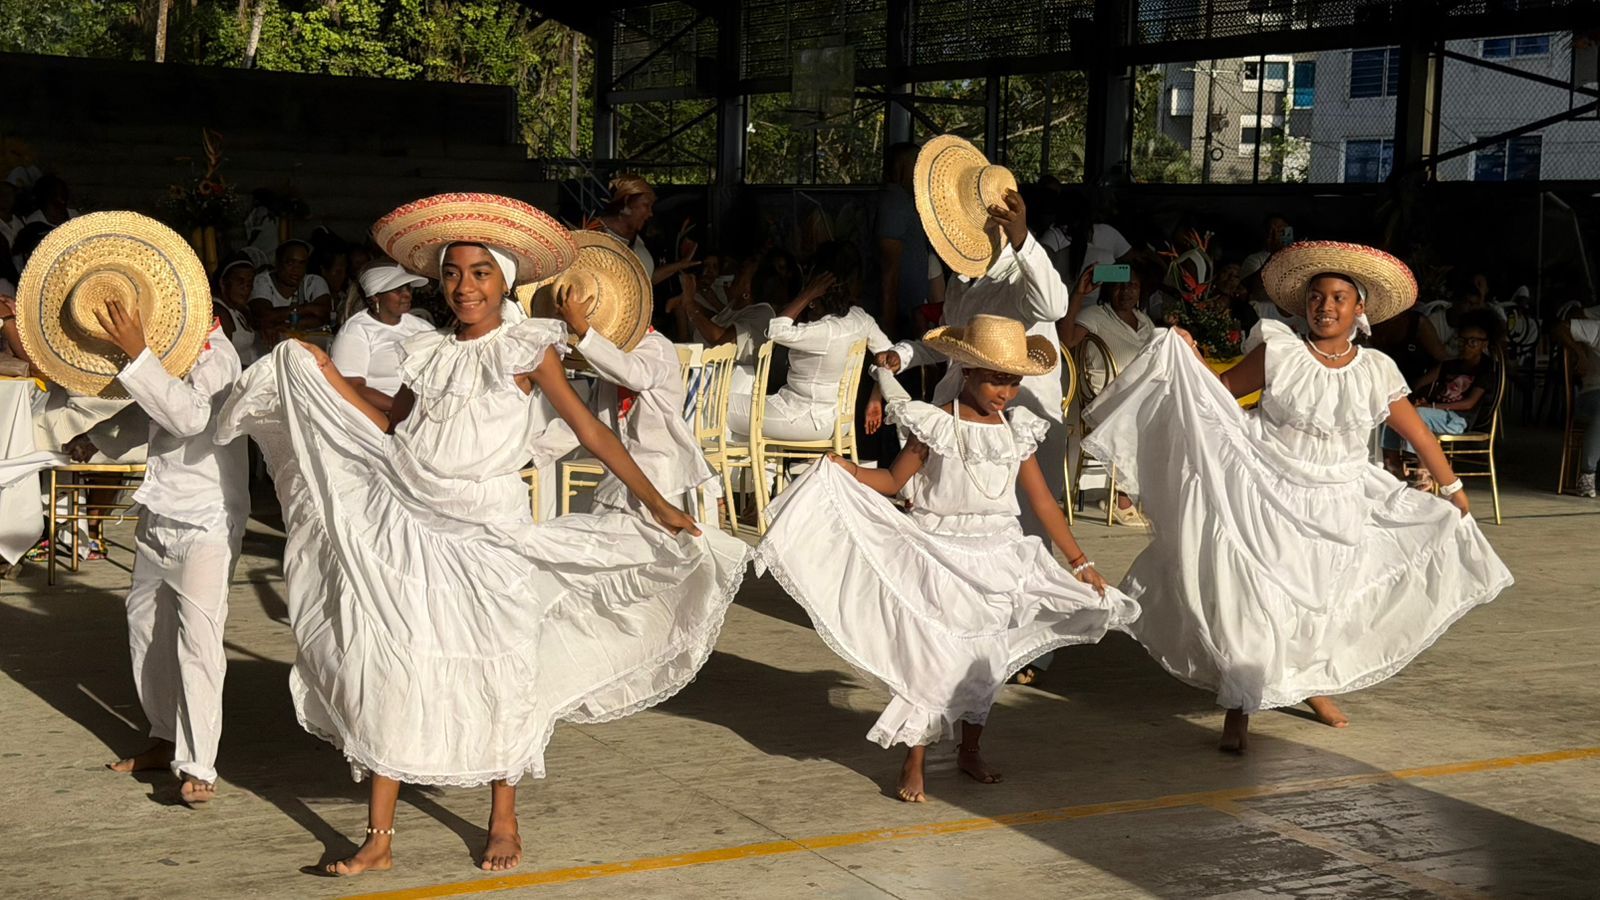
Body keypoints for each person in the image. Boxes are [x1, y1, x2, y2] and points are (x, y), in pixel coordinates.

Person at [218, 194, 749, 876]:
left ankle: (503, 815)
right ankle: (379, 837)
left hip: (491, 527)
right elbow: (393, 425)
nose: (464, 287)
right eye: (452, 275)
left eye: (479, 274)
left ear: (503, 281)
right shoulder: (429, 352)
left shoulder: (526, 349)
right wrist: (325, 376)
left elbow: (592, 432)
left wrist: (658, 505)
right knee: (397, 662)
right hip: (412, 520)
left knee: (502, 664)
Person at [1082, 241, 1513, 753]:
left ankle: (1311, 685)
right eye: (1316, 297)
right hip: (1268, 490)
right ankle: (1240, 702)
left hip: (1339, 501)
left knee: (1324, 600)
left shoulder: (1376, 370)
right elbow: (1218, 395)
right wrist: (1191, 360)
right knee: (1258, 598)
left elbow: (1419, 434)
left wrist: (1456, 489)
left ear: (1359, 310)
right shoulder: (1280, 351)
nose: (1325, 307)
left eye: (1337, 298)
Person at [756, 315, 1137, 802]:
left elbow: (1042, 502)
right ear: (966, 371)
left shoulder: (1016, 430)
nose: (1006, 391)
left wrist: (1080, 562)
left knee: (986, 657)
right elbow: (895, 482)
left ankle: (970, 748)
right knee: (933, 658)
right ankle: (914, 755)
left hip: (998, 555)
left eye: (1014, 380)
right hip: (940, 551)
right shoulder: (934, 423)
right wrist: (848, 470)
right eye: (997, 378)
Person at [883, 173, 1071, 539]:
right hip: (961, 418)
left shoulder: (1022, 275)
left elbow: (1053, 305)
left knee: (1025, 528)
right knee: (949, 520)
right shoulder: (962, 283)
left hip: (1018, 420)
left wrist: (1021, 238)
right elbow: (952, 342)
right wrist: (903, 354)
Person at [535, 232, 718, 517]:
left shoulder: (657, 348)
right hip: (621, 474)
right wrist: (533, 451)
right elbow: (588, 420)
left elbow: (634, 375)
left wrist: (584, 331)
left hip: (660, 471)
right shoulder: (608, 365)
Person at [728, 241, 892, 442]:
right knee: (741, 419)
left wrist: (806, 294)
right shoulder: (860, 319)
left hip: (802, 417)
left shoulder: (825, 331)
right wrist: (876, 398)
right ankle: (762, 471)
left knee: (716, 404)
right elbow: (888, 355)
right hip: (838, 420)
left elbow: (775, 330)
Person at [1057, 257, 1154, 527]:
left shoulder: (1145, 321)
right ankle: (1122, 499)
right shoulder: (1094, 316)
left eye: (1132, 286)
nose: (1126, 292)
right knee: (1139, 417)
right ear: (1108, 290)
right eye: (1118, 286)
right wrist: (1078, 294)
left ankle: (1155, 496)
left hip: (1139, 398)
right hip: (1104, 402)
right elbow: (1066, 342)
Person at [1381, 310, 1501, 487]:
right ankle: (1393, 462)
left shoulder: (1485, 370)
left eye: (1473, 342)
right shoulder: (1448, 365)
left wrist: (1431, 406)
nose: (1466, 346)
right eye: (1462, 341)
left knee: (1419, 415)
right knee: (1395, 410)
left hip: (1459, 420)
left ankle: (1423, 470)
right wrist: (1408, 398)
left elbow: (1469, 403)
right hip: (1433, 414)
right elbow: (1419, 384)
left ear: (1484, 345)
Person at [327, 262, 432, 412]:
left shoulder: (421, 327)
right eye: (398, 290)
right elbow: (351, 386)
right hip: (380, 413)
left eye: (408, 288)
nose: (407, 294)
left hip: (423, 408)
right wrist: (402, 409)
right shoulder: (356, 330)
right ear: (376, 297)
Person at [591, 173, 699, 287]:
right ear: (627, 202)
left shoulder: (636, 239)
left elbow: (647, 281)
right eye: (646, 205)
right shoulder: (593, 236)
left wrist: (680, 264)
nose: (650, 213)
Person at [875, 142, 930, 336]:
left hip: (910, 310)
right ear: (901, 167)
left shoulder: (904, 201)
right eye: (916, 165)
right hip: (900, 312)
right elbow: (889, 266)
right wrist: (888, 322)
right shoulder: (894, 203)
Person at [248, 239, 332, 338]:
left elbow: (323, 315)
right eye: (290, 263)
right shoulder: (262, 281)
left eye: (301, 263)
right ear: (278, 263)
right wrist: (308, 308)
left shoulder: (313, 281)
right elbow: (264, 316)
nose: (296, 269)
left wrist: (284, 326)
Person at [1556, 312, 1600, 497]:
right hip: (1593, 393)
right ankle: (1587, 474)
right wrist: (1579, 352)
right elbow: (1559, 328)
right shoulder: (1596, 327)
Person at [212, 254, 258, 368]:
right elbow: (221, 362)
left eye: (249, 283)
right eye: (240, 282)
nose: (246, 288)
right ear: (223, 283)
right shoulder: (219, 312)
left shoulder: (238, 308)